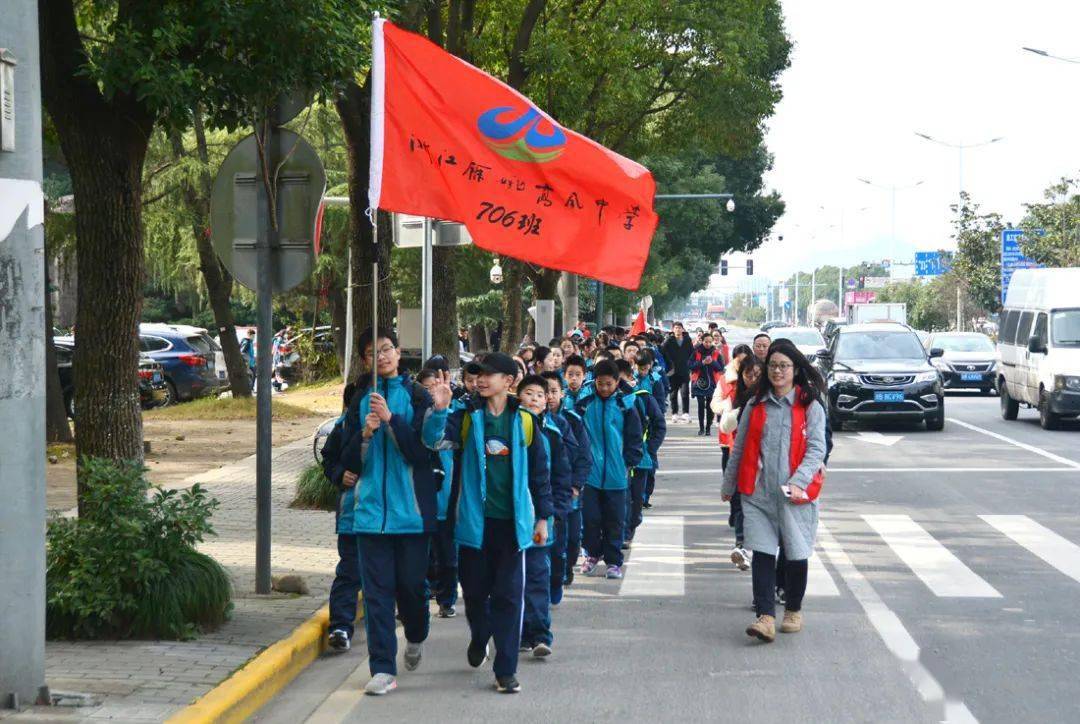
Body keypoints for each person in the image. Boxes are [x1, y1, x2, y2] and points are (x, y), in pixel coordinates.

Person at [327, 328, 452, 695]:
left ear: (398, 353)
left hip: (411, 515)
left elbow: (421, 453)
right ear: (365, 361)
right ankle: (382, 668)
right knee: (378, 596)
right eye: (371, 353)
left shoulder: (416, 396)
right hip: (368, 518)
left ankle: (416, 634)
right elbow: (345, 461)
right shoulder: (359, 400)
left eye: (386, 349)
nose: (380, 357)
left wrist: (392, 420)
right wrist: (364, 435)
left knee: (412, 589)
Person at [441, 353, 552, 694]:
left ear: (509, 380)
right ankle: (479, 635)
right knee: (474, 594)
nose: (481, 379)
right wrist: (437, 411)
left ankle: (505, 669)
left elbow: (540, 475)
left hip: (512, 525)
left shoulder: (527, 422)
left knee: (508, 597)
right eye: (477, 374)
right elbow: (434, 443)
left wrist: (543, 517)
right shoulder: (464, 418)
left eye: (489, 374)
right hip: (474, 523)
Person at [721, 340, 827, 643]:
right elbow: (739, 447)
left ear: (795, 369)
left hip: (796, 496)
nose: (777, 371)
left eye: (784, 366)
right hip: (758, 494)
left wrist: (799, 481)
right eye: (773, 366)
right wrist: (729, 485)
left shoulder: (810, 406)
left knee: (796, 553)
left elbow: (817, 448)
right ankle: (765, 617)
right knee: (763, 554)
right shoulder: (756, 404)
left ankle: (793, 609)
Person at [516, 375, 574, 659]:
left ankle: (540, 634)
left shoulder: (553, 431)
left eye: (540, 394)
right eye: (529, 393)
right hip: (511, 517)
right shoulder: (510, 429)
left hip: (542, 516)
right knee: (514, 578)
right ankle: (521, 632)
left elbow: (562, 475)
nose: (536, 399)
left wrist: (557, 511)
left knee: (538, 575)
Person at [576, 360, 643, 579]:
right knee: (591, 517)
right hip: (591, 474)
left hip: (617, 474)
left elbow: (634, 437)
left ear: (616, 382)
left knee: (615, 520)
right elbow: (576, 434)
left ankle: (614, 561)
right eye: (600, 383)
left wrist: (629, 462)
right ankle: (592, 555)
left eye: (608, 384)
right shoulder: (585, 402)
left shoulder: (626, 404)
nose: (604, 388)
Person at [320, 382, 363, 654]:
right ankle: (340, 627)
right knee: (349, 571)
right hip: (353, 512)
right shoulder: (346, 425)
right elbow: (329, 457)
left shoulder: (401, 416)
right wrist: (339, 474)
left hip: (390, 518)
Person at [541, 371, 591, 591]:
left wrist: (576, 485)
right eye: (545, 392)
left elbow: (583, 456)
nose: (549, 397)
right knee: (551, 539)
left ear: (561, 393)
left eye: (553, 391)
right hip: (544, 492)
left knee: (571, 539)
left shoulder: (572, 421)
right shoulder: (529, 421)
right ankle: (552, 577)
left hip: (568, 491)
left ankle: (566, 566)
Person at [417, 369, 460, 619]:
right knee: (419, 558)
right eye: (427, 387)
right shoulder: (416, 419)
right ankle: (419, 601)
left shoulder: (454, 419)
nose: (433, 391)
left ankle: (447, 600)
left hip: (446, 502)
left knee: (447, 557)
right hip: (420, 503)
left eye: (437, 385)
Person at [715, 346, 760, 571]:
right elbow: (725, 425)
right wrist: (736, 411)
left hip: (768, 467)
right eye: (748, 374)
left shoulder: (774, 397)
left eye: (756, 374)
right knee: (741, 503)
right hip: (742, 457)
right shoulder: (734, 395)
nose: (752, 379)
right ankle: (741, 545)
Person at [617, 360, 665, 544]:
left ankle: (630, 528)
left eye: (622, 380)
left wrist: (650, 448)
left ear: (631, 377)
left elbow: (659, 425)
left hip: (641, 459)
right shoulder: (609, 402)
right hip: (618, 461)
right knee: (621, 498)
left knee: (636, 500)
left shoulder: (643, 398)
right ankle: (621, 534)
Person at [689, 333, 724, 436]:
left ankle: (708, 428)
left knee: (710, 406)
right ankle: (701, 428)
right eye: (706, 341)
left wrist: (712, 362)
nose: (708, 344)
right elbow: (690, 365)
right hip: (699, 382)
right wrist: (702, 363)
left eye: (710, 341)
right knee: (700, 405)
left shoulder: (716, 353)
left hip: (712, 383)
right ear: (702, 341)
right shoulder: (696, 352)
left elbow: (720, 368)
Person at [662, 322, 693, 424]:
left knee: (685, 392)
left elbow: (691, 353)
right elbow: (662, 350)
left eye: (679, 328)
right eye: (676, 328)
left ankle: (685, 413)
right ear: (673, 329)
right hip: (673, 371)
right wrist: (669, 362)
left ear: (683, 329)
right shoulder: (669, 340)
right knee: (673, 393)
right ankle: (674, 413)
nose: (678, 330)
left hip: (684, 370)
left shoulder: (687, 340)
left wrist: (689, 364)